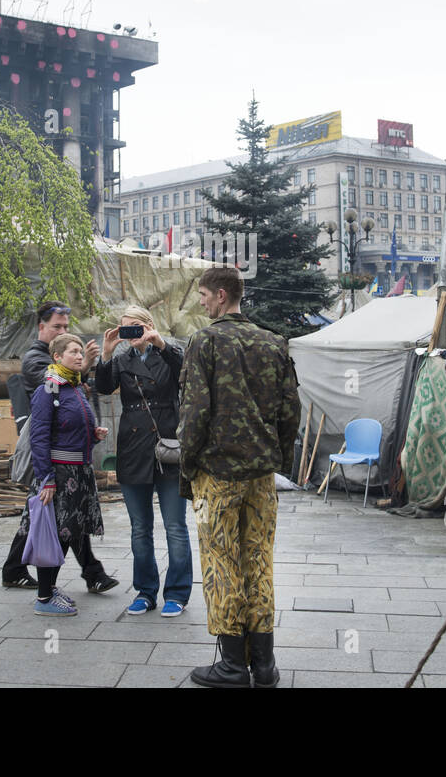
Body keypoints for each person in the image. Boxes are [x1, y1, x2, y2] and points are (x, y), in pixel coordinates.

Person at [177, 267, 300, 688]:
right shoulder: (274, 343)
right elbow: (290, 412)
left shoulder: (204, 342)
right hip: (261, 476)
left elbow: (194, 414)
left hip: (218, 472)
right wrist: (275, 457)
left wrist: (188, 467)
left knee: (221, 561)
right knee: (259, 560)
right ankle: (263, 665)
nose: (201, 303)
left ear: (223, 294)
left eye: (205, 295)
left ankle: (231, 664)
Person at [0, 302, 118, 594]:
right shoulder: (36, 362)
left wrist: (92, 433)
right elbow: (56, 391)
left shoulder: (69, 373)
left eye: (66, 327)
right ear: (42, 328)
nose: (63, 331)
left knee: (56, 518)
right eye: (57, 327)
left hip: (68, 458)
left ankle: (85, 573)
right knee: (51, 519)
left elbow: (72, 399)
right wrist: (48, 475)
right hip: (49, 456)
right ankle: (53, 586)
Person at [94, 306, 191, 617]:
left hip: (168, 447)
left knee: (175, 526)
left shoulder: (169, 353)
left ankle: (176, 593)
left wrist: (161, 343)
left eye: (136, 326)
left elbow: (187, 372)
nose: (131, 333)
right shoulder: (122, 359)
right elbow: (103, 387)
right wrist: (106, 353)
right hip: (134, 447)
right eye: (126, 328)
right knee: (140, 527)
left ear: (149, 326)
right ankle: (145, 592)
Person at [20, 334, 110, 616]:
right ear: (57, 357)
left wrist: (93, 436)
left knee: (69, 533)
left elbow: (70, 431)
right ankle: (44, 598)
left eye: (81, 351)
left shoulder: (74, 388)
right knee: (56, 534)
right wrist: (46, 479)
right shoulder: (49, 389)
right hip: (59, 476)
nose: (80, 355)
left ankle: (50, 588)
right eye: (73, 351)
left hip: (78, 474)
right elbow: (39, 436)